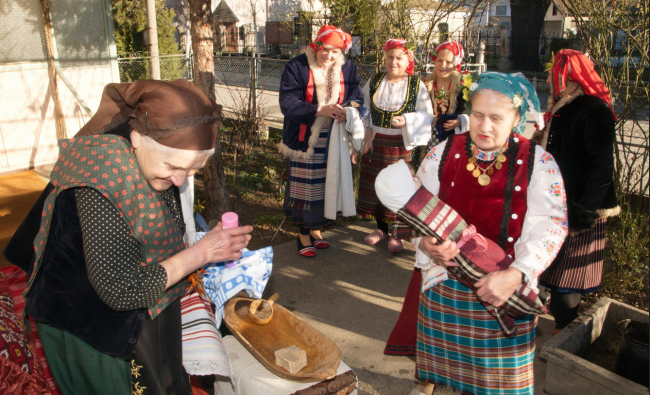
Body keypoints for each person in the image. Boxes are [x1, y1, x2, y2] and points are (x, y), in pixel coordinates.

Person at [3, 79, 253, 395]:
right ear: (136, 138)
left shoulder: (155, 152)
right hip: (83, 318)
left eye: (191, 172)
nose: (179, 180)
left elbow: (151, 231)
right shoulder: (104, 179)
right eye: (174, 167)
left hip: (127, 288)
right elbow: (120, 291)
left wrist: (202, 247)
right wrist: (200, 253)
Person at [407, 72, 568, 395]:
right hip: (445, 288)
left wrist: (517, 274)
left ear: (517, 119)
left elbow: (550, 224)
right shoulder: (442, 154)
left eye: (497, 117)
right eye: (478, 115)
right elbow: (416, 209)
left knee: (498, 386)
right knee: (451, 377)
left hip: (505, 290)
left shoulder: (539, 163)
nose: (484, 126)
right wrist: (424, 244)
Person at [383, 40, 467, 356]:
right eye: (439, 61)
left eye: (449, 61)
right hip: (423, 145)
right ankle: (411, 234)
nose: (443, 66)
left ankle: (437, 235)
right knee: (417, 191)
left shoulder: (465, 87)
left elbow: (469, 117)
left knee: (443, 196)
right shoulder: (423, 84)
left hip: (453, 149)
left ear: (456, 63)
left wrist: (460, 121)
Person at [533, 49, 619, 333]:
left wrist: (584, 211)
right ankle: (551, 322)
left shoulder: (593, 110)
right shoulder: (562, 106)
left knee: (568, 278)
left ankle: (566, 336)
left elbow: (603, 166)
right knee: (550, 267)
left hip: (579, 207)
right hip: (556, 202)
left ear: (567, 76)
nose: (547, 76)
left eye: (551, 70)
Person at [278, 25, 364, 257]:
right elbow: (287, 103)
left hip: (335, 138)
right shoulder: (296, 66)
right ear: (316, 46)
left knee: (327, 187)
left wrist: (350, 110)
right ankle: (303, 235)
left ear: (341, 53)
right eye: (324, 50)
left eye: (335, 52)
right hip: (304, 139)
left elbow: (357, 98)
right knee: (307, 191)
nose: (329, 56)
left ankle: (316, 231)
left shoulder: (350, 69)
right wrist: (319, 109)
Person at [357, 38, 433, 253]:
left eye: (399, 57)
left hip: (402, 144)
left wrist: (407, 119)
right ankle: (380, 229)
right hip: (376, 142)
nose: (394, 61)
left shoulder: (416, 85)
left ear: (407, 59)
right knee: (377, 186)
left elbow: (427, 115)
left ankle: (397, 234)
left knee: (399, 187)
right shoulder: (374, 81)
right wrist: (364, 134)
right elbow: (364, 108)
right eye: (390, 56)